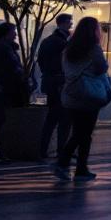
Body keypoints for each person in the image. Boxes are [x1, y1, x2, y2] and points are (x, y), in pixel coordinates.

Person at [55, 17, 110, 182]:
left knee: (79, 132)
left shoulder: (69, 48)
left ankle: (72, 166)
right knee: (84, 133)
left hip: (72, 94)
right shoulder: (93, 48)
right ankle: (74, 167)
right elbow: (102, 67)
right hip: (89, 95)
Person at [0, 23, 26, 165]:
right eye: (13, 31)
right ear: (6, 34)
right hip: (2, 87)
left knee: (1, 119)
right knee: (2, 119)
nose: (15, 34)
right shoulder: (4, 48)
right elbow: (12, 68)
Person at [35, 14, 72, 159]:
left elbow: (41, 61)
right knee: (63, 119)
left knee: (52, 118)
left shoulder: (47, 41)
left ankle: (43, 149)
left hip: (50, 82)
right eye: (69, 22)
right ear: (62, 23)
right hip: (60, 83)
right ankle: (61, 150)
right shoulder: (62, 42)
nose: (71, 25)